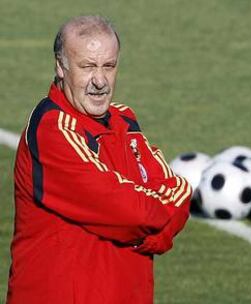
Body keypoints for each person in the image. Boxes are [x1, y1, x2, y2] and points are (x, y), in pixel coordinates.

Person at [7, 15, 192, 304]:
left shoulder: (125, 121)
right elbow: (134, 211)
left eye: (109, 66)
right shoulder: (53, 129)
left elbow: (180, 194)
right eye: (87, 66)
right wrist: (147, 230)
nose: (100, 81)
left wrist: (139, 230)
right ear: (60, 66)